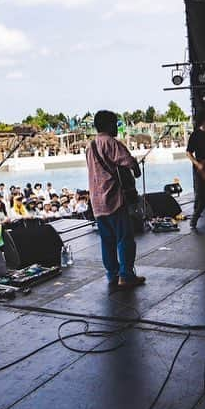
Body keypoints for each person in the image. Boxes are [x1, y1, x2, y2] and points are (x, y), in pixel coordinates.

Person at [85, 109, 144, 290]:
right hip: (113, 198)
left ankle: (113, 274)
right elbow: (127, 161)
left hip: (97, 201)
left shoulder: (90, 146)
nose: (117, 127)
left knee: (107, 241)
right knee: (125, 238)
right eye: (116, 124)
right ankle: (126, 275)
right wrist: (135, 165)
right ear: (109, 125)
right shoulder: (111, 143)